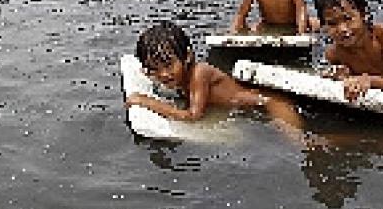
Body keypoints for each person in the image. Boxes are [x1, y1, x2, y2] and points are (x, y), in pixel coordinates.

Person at [126, 21, 305, 136]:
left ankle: (334, 140)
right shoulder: (179, 79)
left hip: (270, 104)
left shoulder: (199, 73)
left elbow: (193, 115)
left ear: (187, 57)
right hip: (252, 109)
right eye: (155, 69)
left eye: (168, 65)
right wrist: (148, 73)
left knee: (305, 145)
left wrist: (146, 101)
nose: (163, 74)